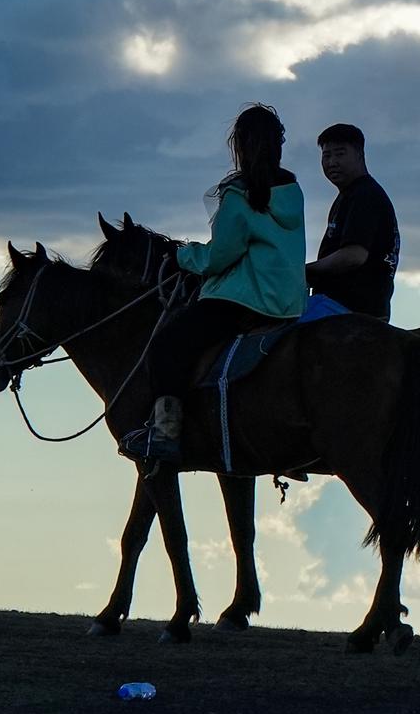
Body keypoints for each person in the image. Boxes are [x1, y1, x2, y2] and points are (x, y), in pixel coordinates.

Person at [119, 104, 307, 466]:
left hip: (243, 300)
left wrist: (183, 257)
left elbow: (221, 255)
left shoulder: (239, 195)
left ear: (240, 145)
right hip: (289, 301)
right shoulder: (292, 191)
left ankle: (165, 433)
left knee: (167, 347)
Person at [306, 123, 400, 322]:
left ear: (360, 155)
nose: (332, 162)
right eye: (326, 156)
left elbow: (354, 255)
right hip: (358, 306)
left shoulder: (365, 195)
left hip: (345, 307)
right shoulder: (349, 196)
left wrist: (305, 271)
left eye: (340, 154)